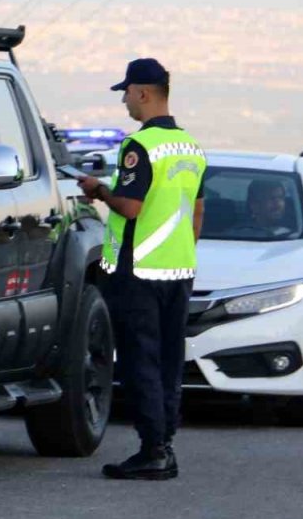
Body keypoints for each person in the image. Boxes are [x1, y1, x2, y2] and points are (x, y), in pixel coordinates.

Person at [75, 58, 207, 480]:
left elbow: (130, 207)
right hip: (179, 270)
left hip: (140, 272)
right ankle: (165, 442)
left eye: (126, 93)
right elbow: (197, 214)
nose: (125, 101)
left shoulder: (140, 146)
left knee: (140, 360)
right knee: (169, 360)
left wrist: (99, 191)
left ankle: (153, 450)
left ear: (144, 92)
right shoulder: (190, 146)